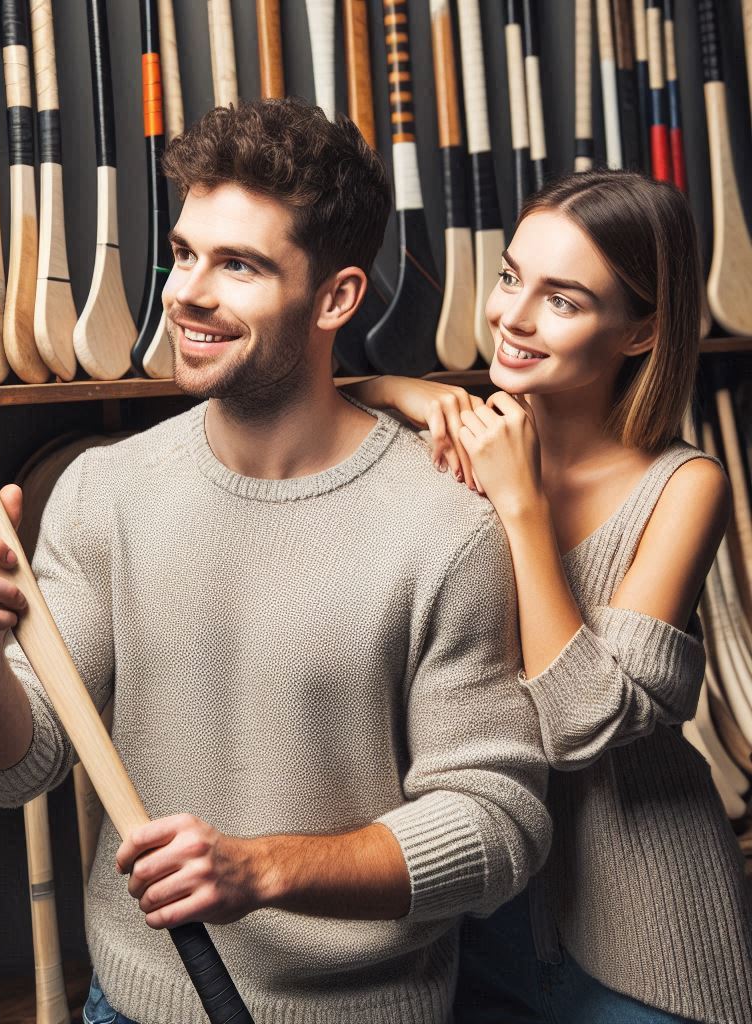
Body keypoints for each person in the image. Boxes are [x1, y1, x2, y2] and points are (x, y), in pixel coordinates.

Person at [0, 98, 551, 1024]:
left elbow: (497, 827)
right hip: (133, 1005)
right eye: (183, 253)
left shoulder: (443, 529)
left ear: (336, 297)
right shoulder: (108, 491)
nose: (185, 292)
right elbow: (18, 768)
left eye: (239, 265)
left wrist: (260, 869)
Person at [350, 170, 752, 1024]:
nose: (513, 316)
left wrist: (521, 505)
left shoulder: (684, 487)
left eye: (562, 300)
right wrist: (410, 390)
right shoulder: (460, 442)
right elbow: (326, 404)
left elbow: (579, 725)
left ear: (641, 329)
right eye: (509, 277)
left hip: (649, 939)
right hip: (479, 930)